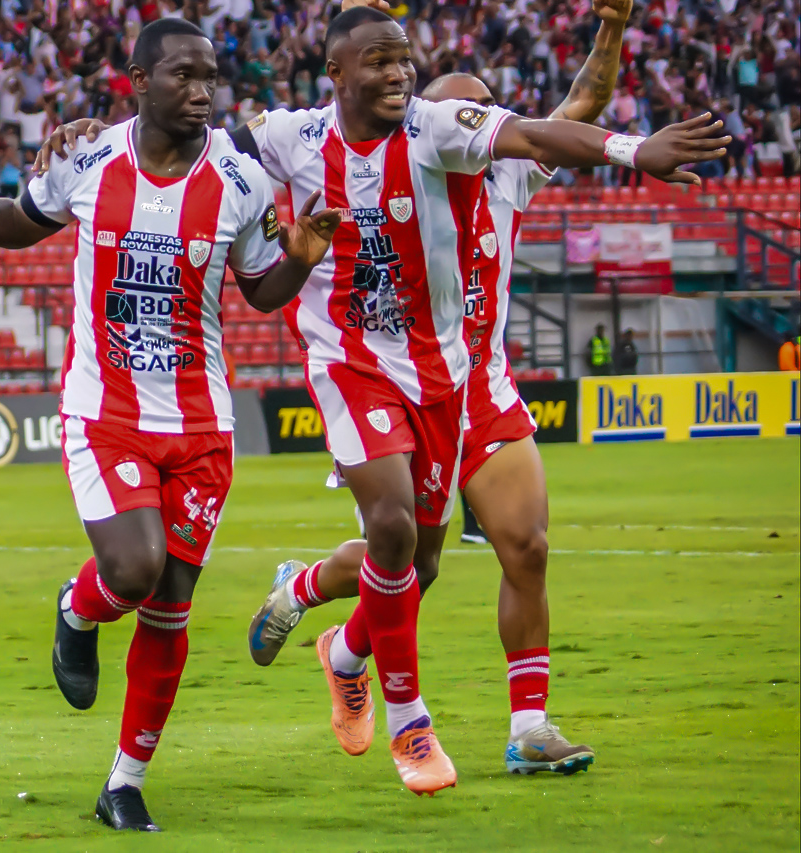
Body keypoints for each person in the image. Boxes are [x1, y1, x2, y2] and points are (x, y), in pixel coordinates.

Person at [36, 3, 728, 795]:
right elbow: (187, 139)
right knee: (395, 530)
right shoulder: (314, 137)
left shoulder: (494, 168)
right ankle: (422, 718)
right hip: (357, 365)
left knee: (479, 554)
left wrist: (616, 66)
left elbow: (562, 121)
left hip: (471, 383)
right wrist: (95, 134)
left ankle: (349, 642)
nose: (418, 92)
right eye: (389, 68)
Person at [0, 17, 339, 832]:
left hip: (203, 425)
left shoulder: (239, 181)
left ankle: (123, 783)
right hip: (106, 413)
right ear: (138, 79)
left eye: (210, 77)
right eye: (182, 76)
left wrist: (300, 258)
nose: (201, 91)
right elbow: (15, 227)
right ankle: (78, 607)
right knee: (132, 571)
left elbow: (262, 293)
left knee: (170, 606)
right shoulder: (86, 159)